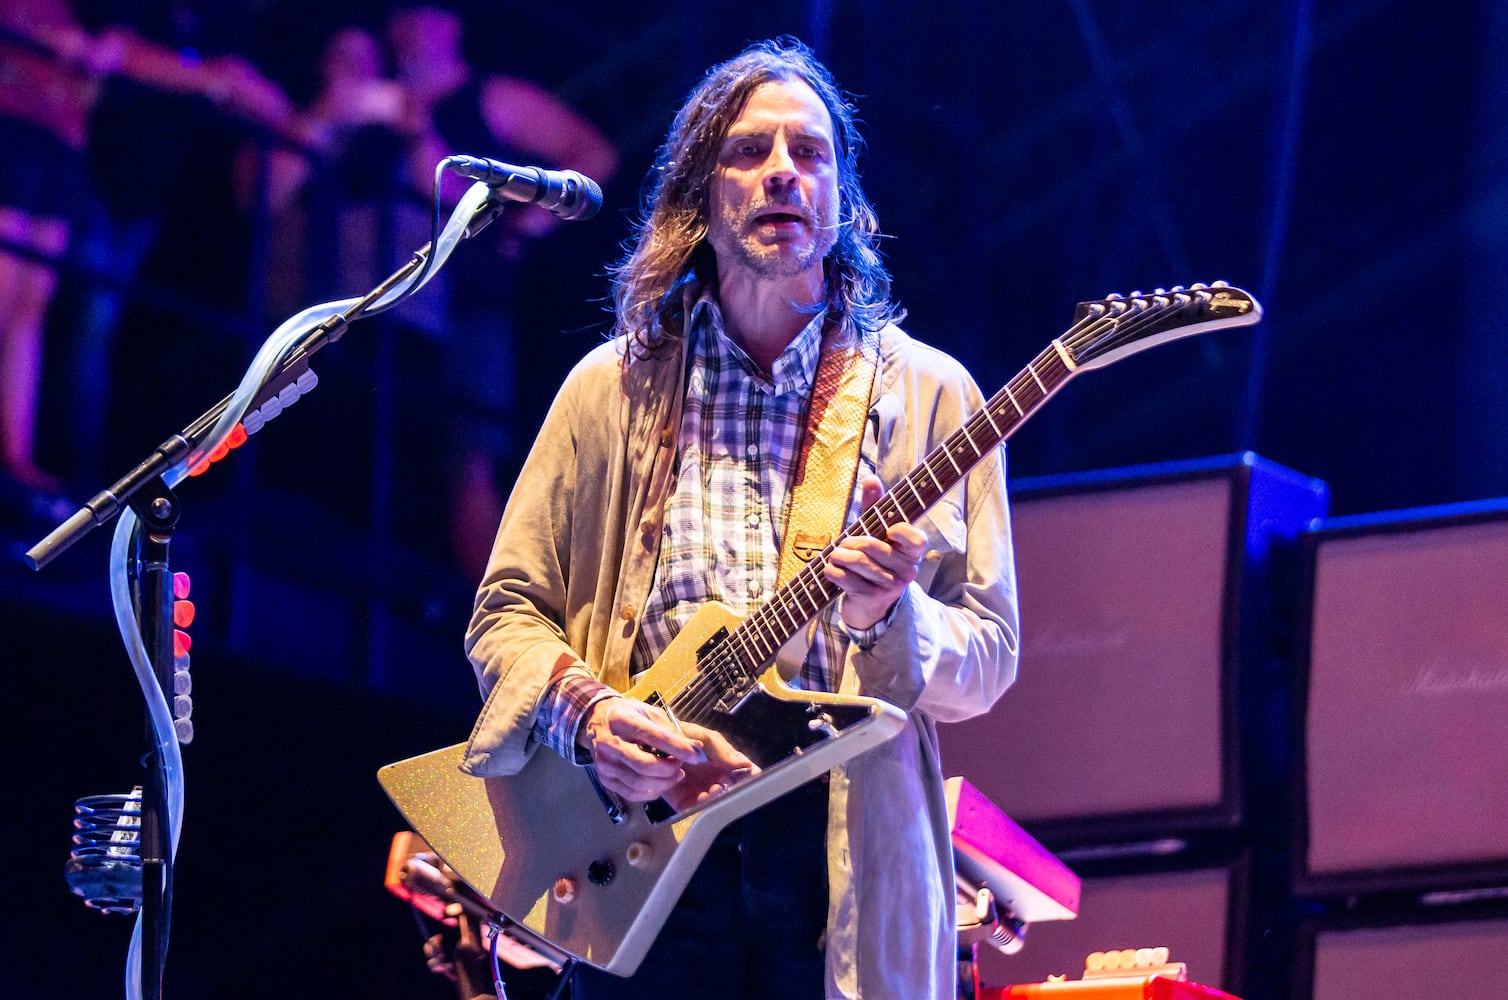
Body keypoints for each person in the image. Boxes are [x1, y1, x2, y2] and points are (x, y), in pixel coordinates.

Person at [457, 37, 1019, 1000]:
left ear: (842, 197)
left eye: (811, 153)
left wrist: (894, 620)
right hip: (645, 857)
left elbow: (991, 654)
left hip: (838, 859)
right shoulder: (611, 388)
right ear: (697, 197)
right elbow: (506, 610)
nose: (782, 176)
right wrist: (590, 717)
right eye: (749, 152)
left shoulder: (933, 395)